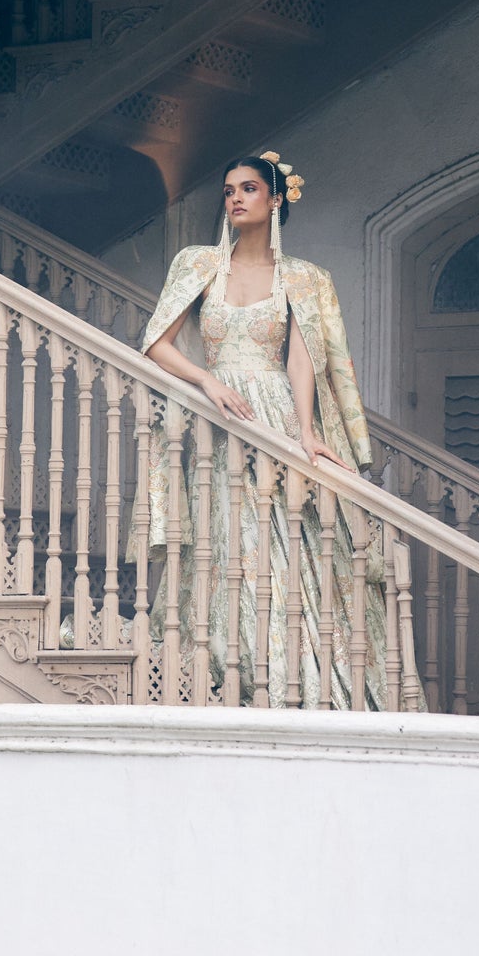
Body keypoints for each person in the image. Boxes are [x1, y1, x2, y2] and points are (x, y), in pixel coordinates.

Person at [141, 152, 391, 708]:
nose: (234, 198)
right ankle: (223, 673)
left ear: (276, 199)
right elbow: (156, 343)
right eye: (228, 189)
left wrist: (307, 433)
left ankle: (293, 681)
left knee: (288, 541)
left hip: (272, 416)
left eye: (249, 188)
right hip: (217, 417)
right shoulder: (198, 264)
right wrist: (207, 381)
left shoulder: (303, 278)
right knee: (225, 538)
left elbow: (303, 360)